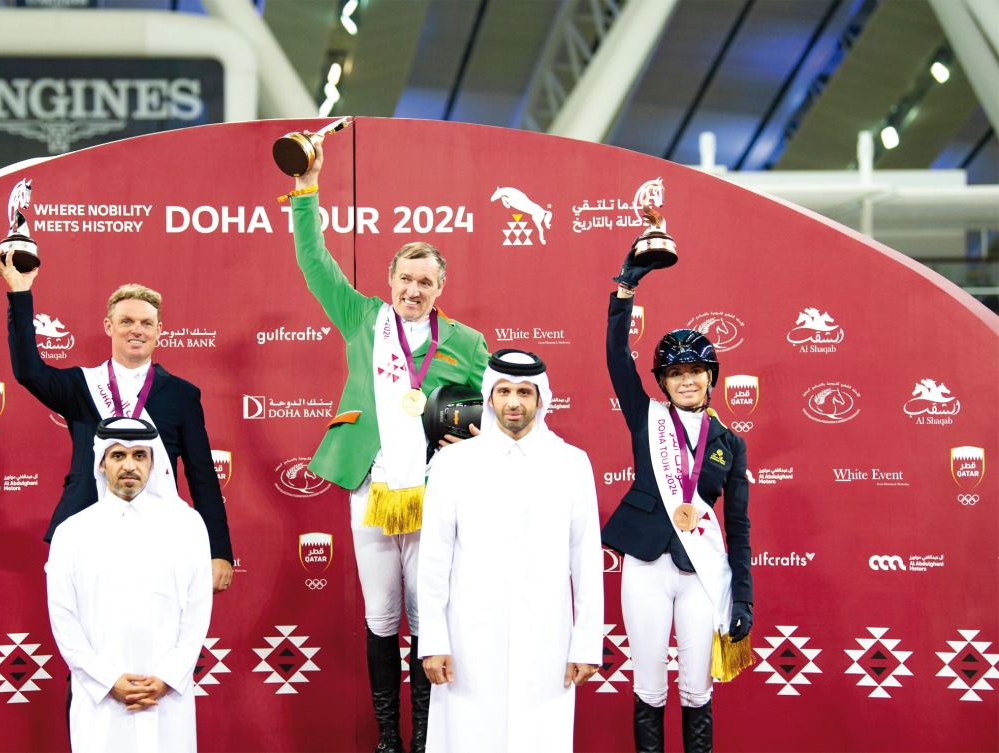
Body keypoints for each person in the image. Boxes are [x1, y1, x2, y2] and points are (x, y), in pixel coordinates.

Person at [286, 138, 489, 753]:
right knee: (381, 616)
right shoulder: (360, 317)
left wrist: (480, 434)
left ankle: (427, 737)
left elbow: (504, 407)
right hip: (369, 487)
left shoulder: (467, 340)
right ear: (390, 280)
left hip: (434, 495)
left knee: (428, 619)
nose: (415, 289)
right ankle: (387, 740)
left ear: (440, 286)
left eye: (426, 281)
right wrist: (305, 192)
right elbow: (315, 262)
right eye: (406, 278)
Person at [0, 250, 233, 592]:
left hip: (161, 535)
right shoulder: (80, 385)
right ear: (109, 326)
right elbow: (29, 372)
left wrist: (218, 551)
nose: (137, 330)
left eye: (147, 323)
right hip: (88, 533)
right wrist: (19, 290)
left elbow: (202, 476)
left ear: (159, 331)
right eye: (127, 321)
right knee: (92, 635)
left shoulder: (183, 395)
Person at [417, 349, 605, 753]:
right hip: (467, 638)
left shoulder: (572, 463)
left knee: (540, 738)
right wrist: (433, 640)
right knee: (466, 737)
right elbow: (434, 559)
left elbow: (587, 558)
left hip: (547, 638)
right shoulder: (452, 463)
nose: (514, 402)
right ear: (489, 397)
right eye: (504, 391)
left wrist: (587, 643)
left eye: (524, 392)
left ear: (541, 399)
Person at [604, 252, 754, 753]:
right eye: (676, 373)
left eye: (697, 371)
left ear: (712, 377)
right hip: (645, 566)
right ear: (662, 382)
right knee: (648, 686)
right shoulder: (644, 416)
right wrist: (624, 292)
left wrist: (745, 599)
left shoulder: (729, 443)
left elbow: (739, 527)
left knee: (696, 689)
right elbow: (615, 358)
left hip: (699, 575)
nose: (687, 380)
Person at [46, 417, 212, 753]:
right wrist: (108, 681)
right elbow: (64, 620)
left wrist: (166, 677)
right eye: (118, 456)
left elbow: (197, 612)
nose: (129, 466)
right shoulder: (72, 533)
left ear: (153, 464)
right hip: (101, 702)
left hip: (168, 698)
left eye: (139, 456)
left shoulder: (187, 525)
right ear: (102, 463)